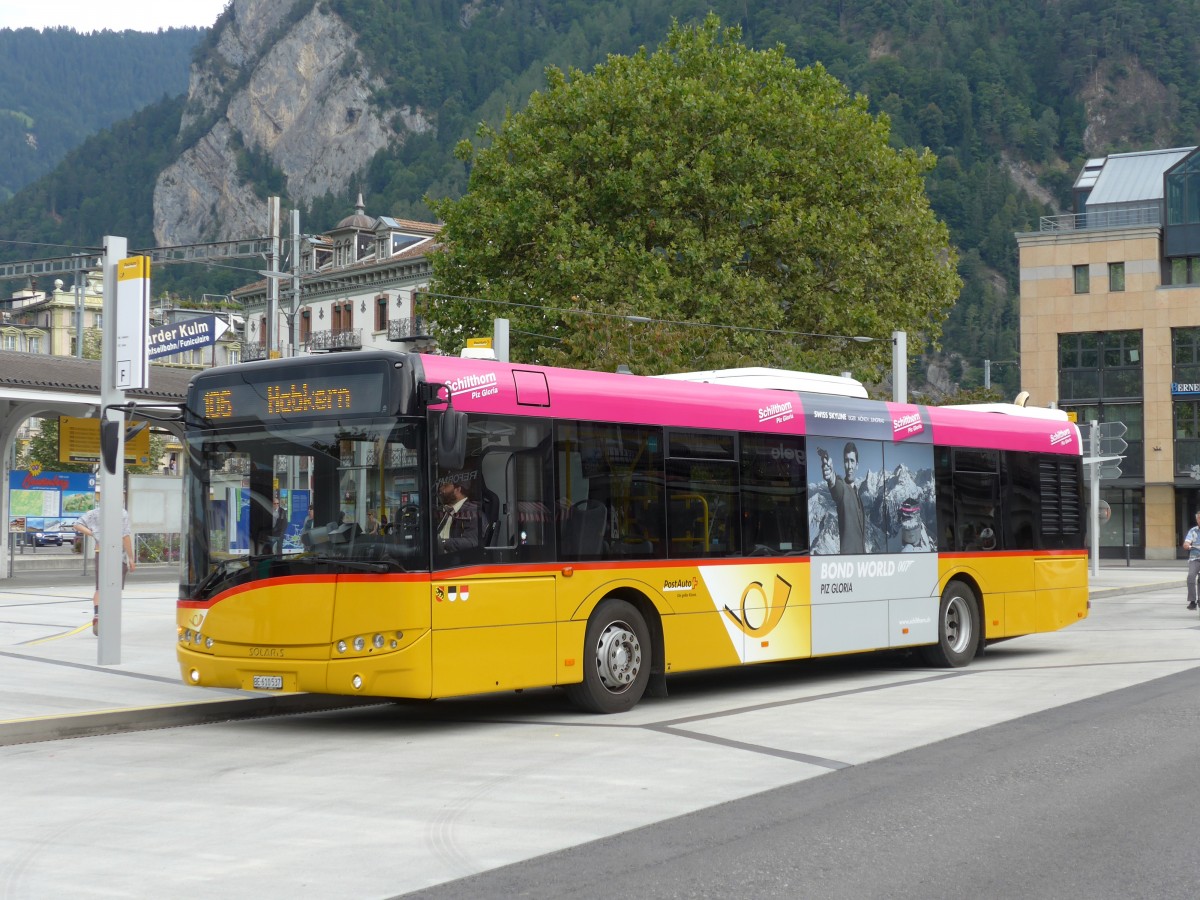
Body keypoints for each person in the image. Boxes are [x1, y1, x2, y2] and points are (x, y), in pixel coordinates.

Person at [74, 492, 135, 636]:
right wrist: (131, 557)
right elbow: (125, 536)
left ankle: (98, 614)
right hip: (117, 554)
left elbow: (77, 524)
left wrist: (94, 533)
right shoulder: (122, 513)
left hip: (100, 552)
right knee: (114, 589)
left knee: (100, 588)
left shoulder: (96, 513)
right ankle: (110, 619)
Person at [821, 441, 866, 554]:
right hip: (848, 561)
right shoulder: (842, 487)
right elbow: (836, 487)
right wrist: (831, 479)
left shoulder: (857, 493)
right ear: (843, 464)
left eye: (852, 461)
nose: (849, 466)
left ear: (857, 465)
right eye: (846, 461)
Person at [436, 473, 485, 553]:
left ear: (458, 490)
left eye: (445, 486)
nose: (441, 490)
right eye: (441, 486)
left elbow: (472, 542)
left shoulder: (473, 512)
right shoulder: (445, 510)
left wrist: (442, 543)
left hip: (455, 558)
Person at [1184, 509, 1200, 610]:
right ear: (1197, 520)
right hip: (1194, 558)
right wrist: (1187, 545)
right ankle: (1192, 601)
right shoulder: (1193, 531)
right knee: (1190, 577)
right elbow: (1186, 543)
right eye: (1199, 519)